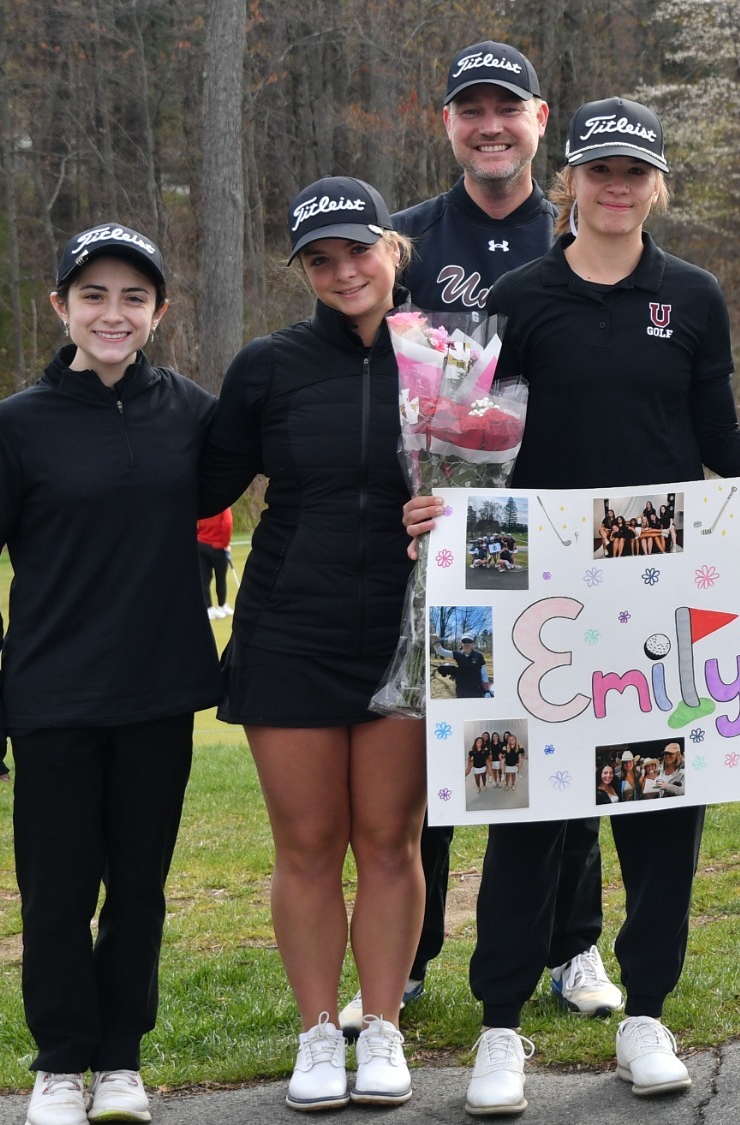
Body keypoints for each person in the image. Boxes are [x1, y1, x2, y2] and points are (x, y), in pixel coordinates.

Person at [400, 95, 740, 1106]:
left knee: (659, 811)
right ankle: (500, 1027)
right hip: (541, 596)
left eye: (632, 173)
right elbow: (478, 444)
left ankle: (646, 1011)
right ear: (569, 182)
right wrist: (448, 508)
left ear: (656, 186)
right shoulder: (518, 297)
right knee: (523, 812)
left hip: (658, 587)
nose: (614, 189)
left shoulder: (690, 297)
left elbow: (715, 437)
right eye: (597, 172)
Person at [332, 42, 583, 1066]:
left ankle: (574, 945)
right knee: (433, 751)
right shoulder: (407, 238)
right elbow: (366, 380)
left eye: (507, 109)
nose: (489, 125)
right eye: (469, 110)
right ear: (446, 124)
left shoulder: (577, 231)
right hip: (433, 540)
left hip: (552, 542)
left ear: (539, 118)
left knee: (561, 750)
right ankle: (415, 951)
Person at [0, 224, 217, 1125]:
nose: (114, 312)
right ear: (61, 306)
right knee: (58, 892)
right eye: (94, 295)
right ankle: (62, 1062)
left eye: (133, 297)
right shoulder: (18, 424)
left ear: (159, 312)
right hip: (55, 699)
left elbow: (293, 478)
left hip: (158, 693)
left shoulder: (189, 411)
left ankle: (120, 1062)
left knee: (139, 885)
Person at [199, 179, 424, 1110]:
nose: (343, 272)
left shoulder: (447, 356)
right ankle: (316, 1036)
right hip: (291, 625)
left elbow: (513, 470)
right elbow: (198, 478)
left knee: (389, 838)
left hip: (413, 632)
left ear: (391, 249)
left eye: (357, 251)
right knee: (308, 840)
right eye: (320, 261)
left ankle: (382, 1030)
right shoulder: (268, 365)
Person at [197, 508, 234, 619]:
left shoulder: (203, 503)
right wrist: (225, 544)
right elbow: (228, 523)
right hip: (218, 547)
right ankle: (220, 606)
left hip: (201, 545)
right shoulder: (224, 505)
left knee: (205, 578)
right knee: (220, 577)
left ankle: (210, 608)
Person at [434, 633, 489, 699]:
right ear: (461, 643)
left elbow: (484, 672)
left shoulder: (479, 656)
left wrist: (486, 686)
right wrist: (435, 640)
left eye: (469, 641)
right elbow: (441, 651)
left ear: (473, 643)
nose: (467, 643)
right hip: (462, 689)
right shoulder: (458, 654)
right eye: (464, 641)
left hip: (476, 689)